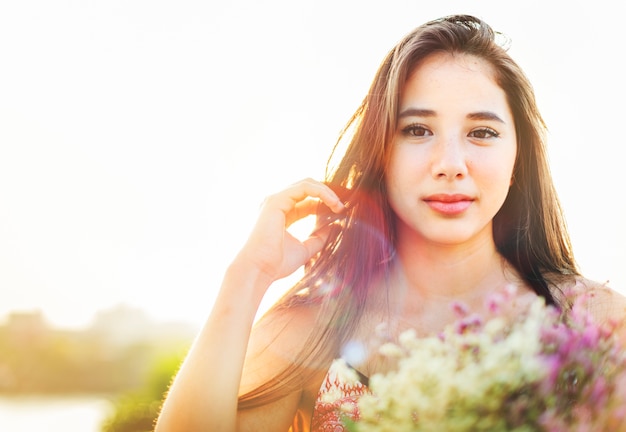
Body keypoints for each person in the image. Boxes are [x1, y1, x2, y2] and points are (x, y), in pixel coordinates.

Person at [154, 14, 626, 431]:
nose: (450, 163)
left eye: (482, 133)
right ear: (382, 150)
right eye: (417, 130)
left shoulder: (595, 323)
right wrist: (247, 277)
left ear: (518, 157)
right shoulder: (313, 329)